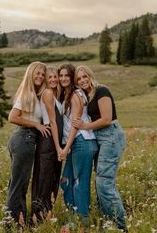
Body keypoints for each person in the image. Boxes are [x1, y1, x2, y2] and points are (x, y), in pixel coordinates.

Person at [72, 65, 128, 232]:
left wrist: (84, 126)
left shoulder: (101, 91)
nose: (82, 80)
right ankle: (108, 220)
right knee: (100, 181)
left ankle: (121, 225)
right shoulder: (86, 95)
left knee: (104, 183)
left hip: (110, 135)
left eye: (84, 76)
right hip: (100, 138)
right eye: (79, 78)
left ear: (90, 76)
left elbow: (106, 119)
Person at [6, 61, 50, 229]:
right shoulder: (28, 93)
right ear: (30, 74)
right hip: (24, 138)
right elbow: (12, 117)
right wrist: (36, 125)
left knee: (18, 183)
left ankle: (18, 221)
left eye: (42, 74)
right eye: (37, 73)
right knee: (18, 185)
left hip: (24, 139)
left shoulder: (35, 94)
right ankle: (14, 224)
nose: (40, 76)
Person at [58, 63, 98, 231]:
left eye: (67, 75)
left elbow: (75, 124)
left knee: (79, 183)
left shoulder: (76, 94)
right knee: (65, 181)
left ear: (71, 77)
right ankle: (73, 216)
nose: (63, 78)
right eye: (61, 75)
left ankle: (82, 223)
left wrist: (66, 148)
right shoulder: (69, 94)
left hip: (82, 141)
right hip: (77, 143)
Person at [31, 65, 63, 223]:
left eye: (55, 76)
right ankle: (39, 217)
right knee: (44, 178)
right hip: (49, 141)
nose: (53, 79)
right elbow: (53, 122)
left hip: (53, 140)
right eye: (49, 77)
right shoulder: (48, 93)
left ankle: (46, 214)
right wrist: (58, 147)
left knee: (51, 178)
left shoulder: (56, 94)